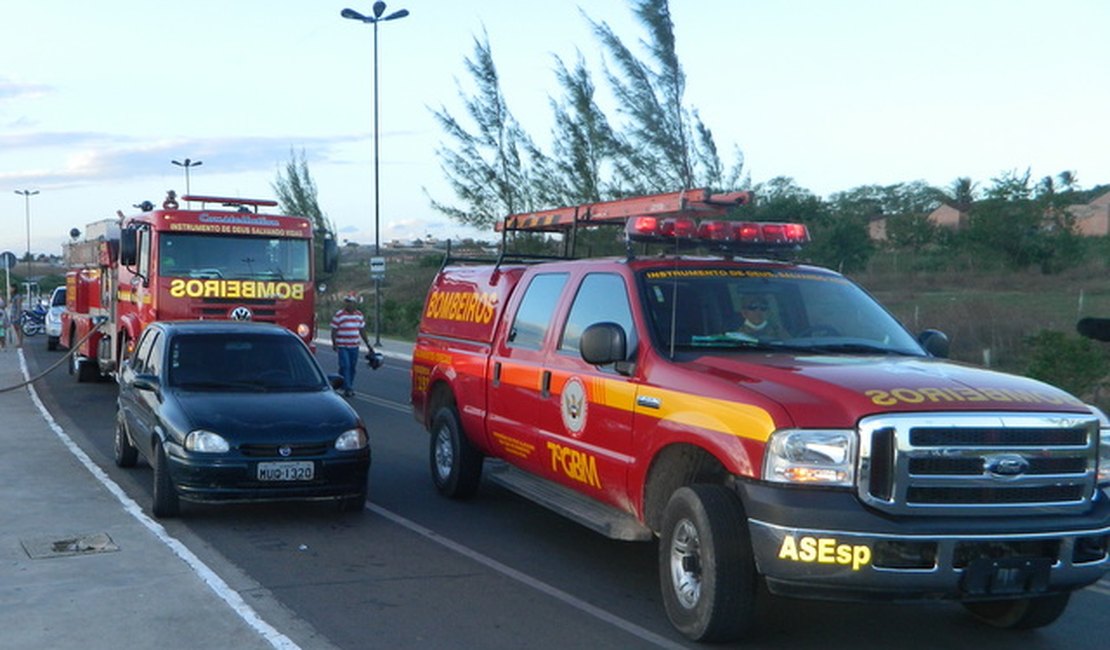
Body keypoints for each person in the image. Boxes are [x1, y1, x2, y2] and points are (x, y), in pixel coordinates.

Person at [330, 294, 374, 397]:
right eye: (347, 302)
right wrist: (334, 343)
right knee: (345, 366)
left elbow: (362, 330)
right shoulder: (339, 315)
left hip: (354, 345)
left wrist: (368, 345)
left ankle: (341, 383)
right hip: (343, 345)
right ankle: (348, 388)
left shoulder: (358, 315)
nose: (349, 304)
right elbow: (334, 330)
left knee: (352, 367)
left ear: (355, 303)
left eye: (351, 302)